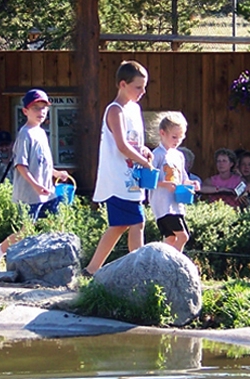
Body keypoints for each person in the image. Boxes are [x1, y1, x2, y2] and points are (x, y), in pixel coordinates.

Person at [0, 89, 69, 275]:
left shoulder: (42, 133)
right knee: (26, 229)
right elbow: (21, 165)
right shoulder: (25, 134)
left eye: (44, 108)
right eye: (36, 108)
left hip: (47, 192)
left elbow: (43, 164)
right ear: (25, 111)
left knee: (56, 223)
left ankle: (54, 264)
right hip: (30, 194)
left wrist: (57, 173)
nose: (41, 112)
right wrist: (36, 186)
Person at [83, 61, 154, 277]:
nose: (142, 92)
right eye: (138, 87)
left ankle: (92, 269)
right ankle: (138, 271)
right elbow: (121, 146)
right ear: (123, 84)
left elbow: (133, 142)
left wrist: (144, 151)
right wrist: (144, 162)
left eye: (144, 87)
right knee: (137, 222)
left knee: (120, 225)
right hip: (117, 178)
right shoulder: (115, 110)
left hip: (132, 178)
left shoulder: (135, 109)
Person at [149, 112, 199, 252]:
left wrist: (191, 183)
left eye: (181, 137)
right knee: (183, 236)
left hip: (176, 203)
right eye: (174, 137)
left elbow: (183, 178)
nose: (177, 141)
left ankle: (162, 260)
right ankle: (174, 261)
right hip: (163, 205)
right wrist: (164, 184)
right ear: (162, 133)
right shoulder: (157, 155)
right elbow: (149, 180)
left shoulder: (179, 155)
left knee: (171, 238)